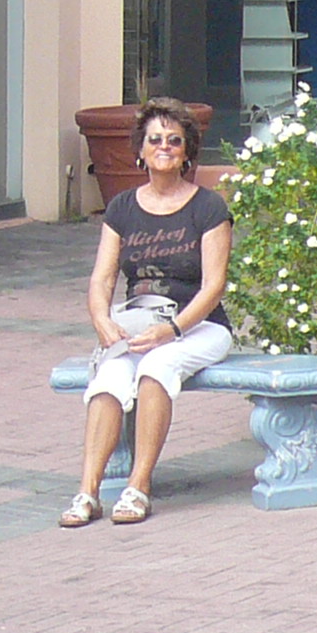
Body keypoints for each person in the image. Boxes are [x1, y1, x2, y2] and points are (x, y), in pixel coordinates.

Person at [60, 96, 234, 526]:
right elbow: (102, 279)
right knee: (109, 378)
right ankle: (87, 493)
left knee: (157, 367)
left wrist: (172, 330)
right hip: (139, 324)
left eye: (174, 140)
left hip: (198, 326)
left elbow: (213, 287)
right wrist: (102, 321)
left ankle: (138, 487)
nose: (164, 147)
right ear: (140, 149)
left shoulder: (208, 208)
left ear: (187, 151)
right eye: (155, 140)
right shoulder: (122, 208)